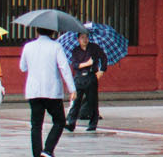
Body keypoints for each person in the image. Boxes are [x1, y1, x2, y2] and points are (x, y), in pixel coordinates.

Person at [21, 28, 77, 157]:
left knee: (36, 124)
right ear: (52, 32)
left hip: (34, 90)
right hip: (52, 90)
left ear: (37, 32)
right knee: (59, 121)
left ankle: (37, 154)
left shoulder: (28, 47)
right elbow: (64, 67)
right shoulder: (56, 46)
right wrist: (72, 88)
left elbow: (23, 67)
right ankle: (47, 150)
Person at [65, 28, 107, 132]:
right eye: (82, 37)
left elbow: (104, 58)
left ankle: (92, 124)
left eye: (86, 37)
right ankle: (71, 123)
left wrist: (102, 70)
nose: (85, 39)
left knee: (92, 101)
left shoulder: (94, 48)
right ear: (78, 39)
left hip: (91, 76)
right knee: (76, 102)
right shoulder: (76, 50)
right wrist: (86, 63)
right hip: (79, 78)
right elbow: (75, 65)